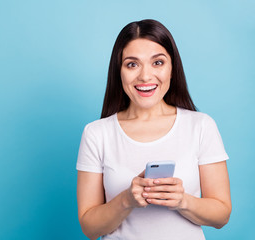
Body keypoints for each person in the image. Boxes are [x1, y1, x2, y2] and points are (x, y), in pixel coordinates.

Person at [76, 19, 231, 240]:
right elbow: (90, 228)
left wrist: (182, 201)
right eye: (132, 64)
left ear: (172, 68)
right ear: (118, 71)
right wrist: (126, 200)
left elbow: (221, 215)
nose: (145, 76)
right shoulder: (96, 134)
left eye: (157, 63)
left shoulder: (201, 126)